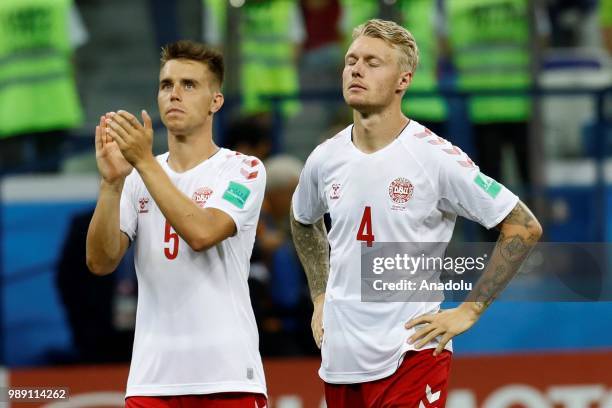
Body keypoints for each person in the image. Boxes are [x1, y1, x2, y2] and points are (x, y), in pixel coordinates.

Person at [290, 19, 542, 407]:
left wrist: (470, 310)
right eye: (351, 60)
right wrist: (320, 295)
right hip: (340, 357)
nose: (356, 69)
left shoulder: (434, 157)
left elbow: (523, 226)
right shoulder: (325, 158)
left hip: (411, 354)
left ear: (402, 81)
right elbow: (302, 219)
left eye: (373, 62)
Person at [86, 40, 267, 408]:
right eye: (166, 85)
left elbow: (202, 233)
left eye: (189, 85)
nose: (174, 94)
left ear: (215, 101)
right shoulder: (135, 177)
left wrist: (144, 162)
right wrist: (111, 184)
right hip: (152, 381)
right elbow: (100, 263)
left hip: (227, 375)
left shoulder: (243, 169)